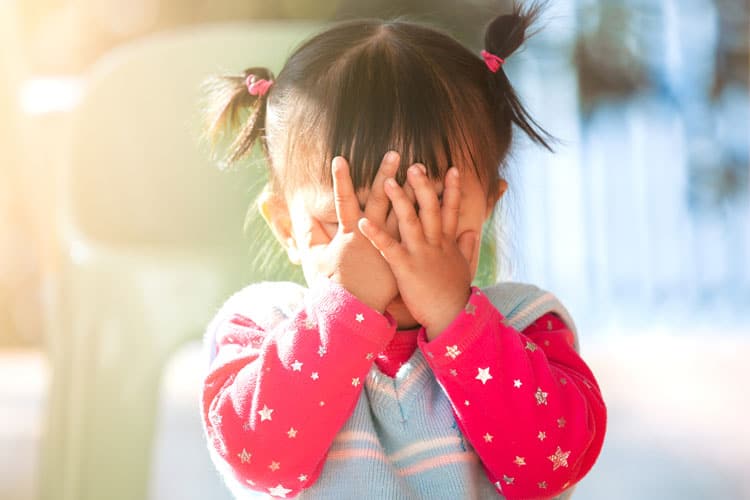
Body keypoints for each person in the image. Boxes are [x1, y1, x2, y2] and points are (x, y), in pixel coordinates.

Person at [200, 3, 606, 499]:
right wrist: (345, 310)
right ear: (287, 226)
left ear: (486, 210)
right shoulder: (261, 329)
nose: (389, 256)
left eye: (426, 215)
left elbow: (549, 469)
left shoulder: (524, 325)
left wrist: (457, 320)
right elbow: (259, 461)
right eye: (344, 225)